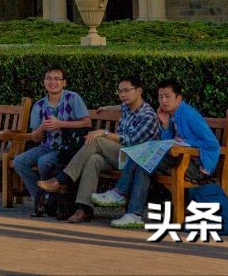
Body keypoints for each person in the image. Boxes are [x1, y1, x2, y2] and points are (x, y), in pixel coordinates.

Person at [97, 78, 228, 231]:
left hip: (198, 167)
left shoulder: (188, 114)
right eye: (160, 97)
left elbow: (212, 144)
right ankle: (133, 214)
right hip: (179, 159)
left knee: (144, 158)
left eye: (167, 96)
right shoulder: (172, 115)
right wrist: (166, 124)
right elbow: (168, 142)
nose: (163, 101)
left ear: (178, 98)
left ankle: (120, 195)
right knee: (143, 162)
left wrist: (186, 143)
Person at [39, 75, 159, 223]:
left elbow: (131, 140)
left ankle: (62, 178)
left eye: (126, 90)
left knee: (97, 139)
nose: (122, 94)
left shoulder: (148, 115)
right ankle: (84, 209)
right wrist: (107, 108)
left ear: (139, 91)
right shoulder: (127, 107)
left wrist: (104, 132)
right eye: (120, 91)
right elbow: (119, 107)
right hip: (119, 156)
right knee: (93, 159)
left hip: (135, 160)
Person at [11, 67, 90, 216]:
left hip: (67, 148)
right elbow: (35, 138)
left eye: (57, 79)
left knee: (44, 162)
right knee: (19, 162)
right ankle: (42, 199)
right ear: (44, 82)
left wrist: (61, 124)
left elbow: (86, 122)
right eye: (49, 78)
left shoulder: (72, 98)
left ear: (64, 82)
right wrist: (42, 127)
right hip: (46, 146)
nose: (52, 82)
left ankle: (49, 201)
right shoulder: (39, 105)